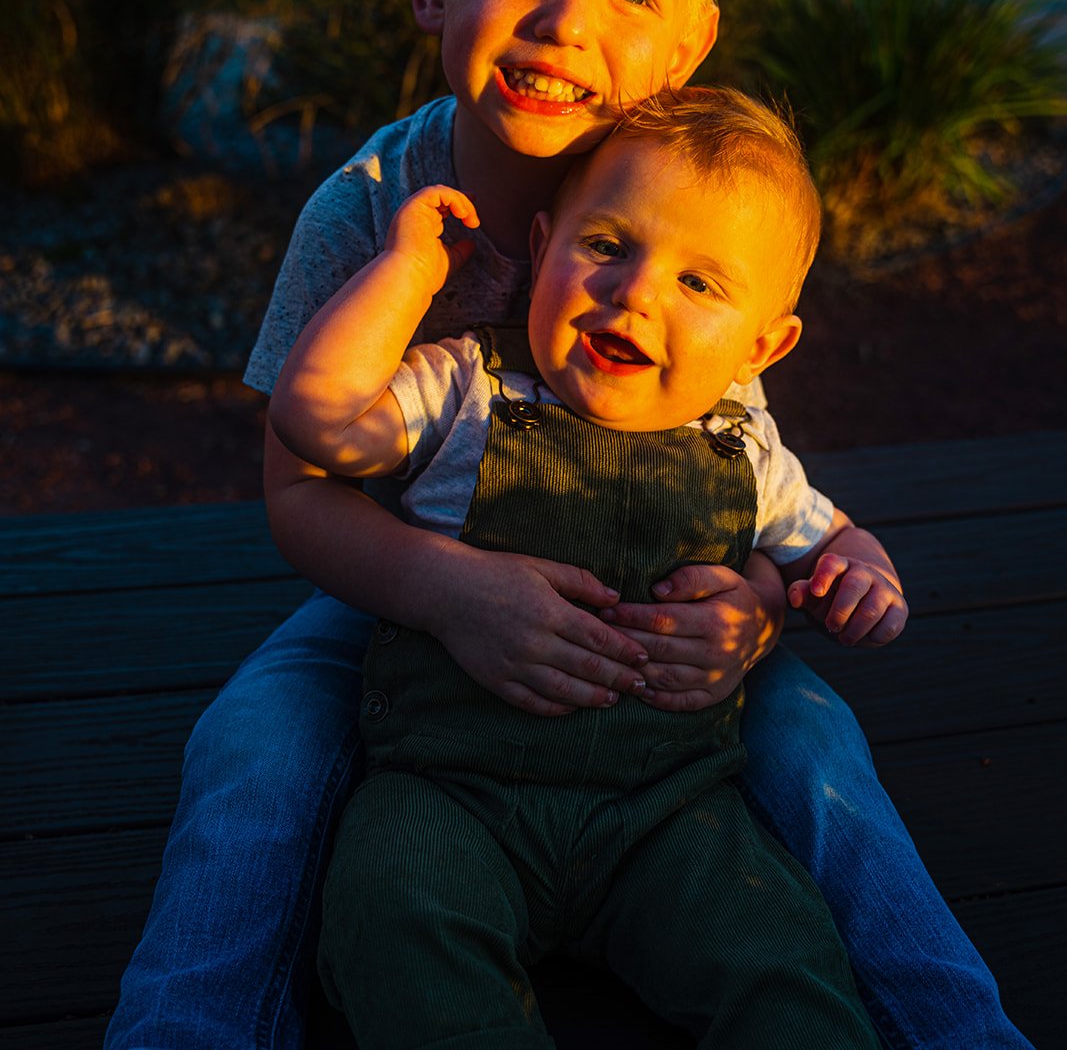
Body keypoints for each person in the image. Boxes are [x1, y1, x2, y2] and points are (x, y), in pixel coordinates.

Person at [104, 0, 1031, 1050]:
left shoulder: (684, 217)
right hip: (399, 597)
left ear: (686, 42)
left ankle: (954, 1031)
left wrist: (753, 614)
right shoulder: (372, 203)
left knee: (820, 755)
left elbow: (737, 471)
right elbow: (296, 491)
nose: (562, 22)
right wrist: (449, 593)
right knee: (253, 748)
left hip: (643, 610)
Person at [268, 87, 898, 1048]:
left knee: (778, 955)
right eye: (607, 246)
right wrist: (403, 274)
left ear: (761, 345)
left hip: (667, 817)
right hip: (453, 794)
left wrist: (857, 578)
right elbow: (316, 420)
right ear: (544, 242)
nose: (637, 292)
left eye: (698, 284)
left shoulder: (749, 450)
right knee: (390, 916)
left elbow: (831, 540)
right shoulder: (465, 388)